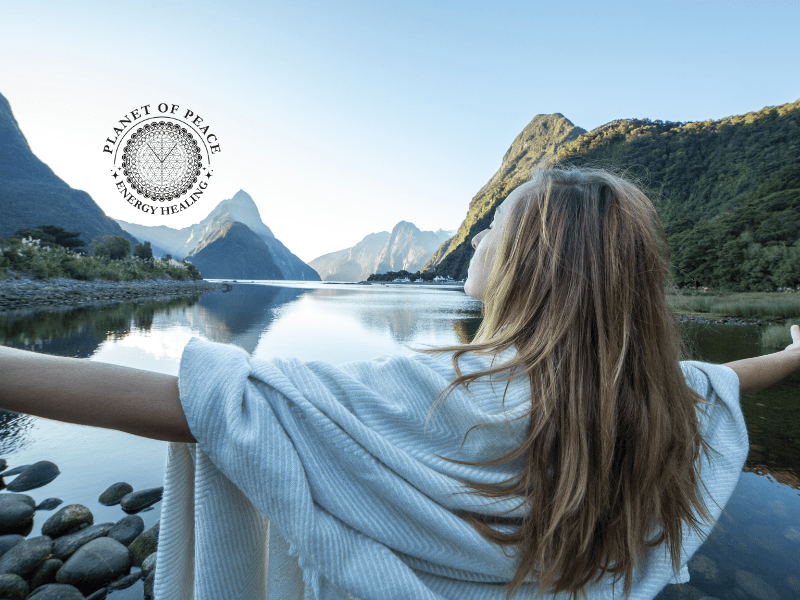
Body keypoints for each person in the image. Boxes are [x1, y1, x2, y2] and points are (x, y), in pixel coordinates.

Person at [1, 165, 799, 600]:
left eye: (495, 227)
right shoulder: (642, 398)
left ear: (529, 263)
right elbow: (718, 380)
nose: (479, 236)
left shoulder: (427, 393)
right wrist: (795, 354)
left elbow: (199, 404)